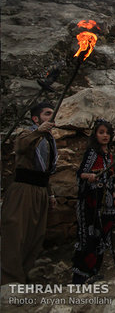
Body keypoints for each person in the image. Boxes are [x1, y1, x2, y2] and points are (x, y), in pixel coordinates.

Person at [1, 102, 57, 284]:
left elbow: (46, 170)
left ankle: (22, 275)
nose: (51, 117)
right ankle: (9, 280)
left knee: (35, 236)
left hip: (40, 191)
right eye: (47, 114)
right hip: (23, 190)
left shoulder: (49, 140)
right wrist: (38, 131)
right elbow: (21, 146)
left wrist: (50, 194)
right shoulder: (28, 134)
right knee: (16, 234)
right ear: (36, 118)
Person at [72, 119, 115, 284]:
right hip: (90, 201)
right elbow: (81, 173)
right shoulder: (93, 153)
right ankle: (81, 275)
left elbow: (110, 179)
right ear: (95, 135)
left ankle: (93, 271)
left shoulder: (108, 154)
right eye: (101, 132)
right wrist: (90, 176)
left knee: (100, 236)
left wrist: (114, 199)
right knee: (88, 236)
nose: (105, 136)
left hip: (104, 200)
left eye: (107, 133)